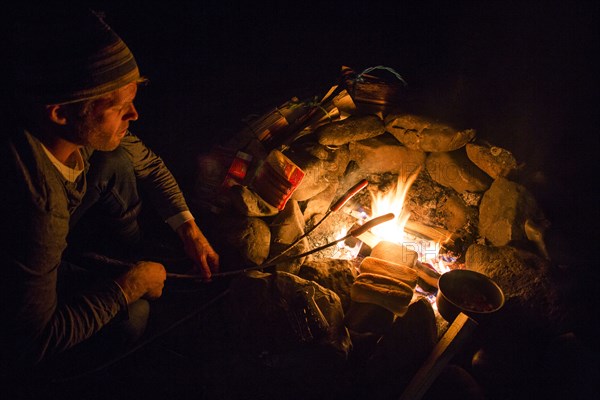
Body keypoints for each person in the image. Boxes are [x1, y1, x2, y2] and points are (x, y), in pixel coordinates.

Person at [0, 7, 219, 384]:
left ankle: (108, 262)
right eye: (118, 107)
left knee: (116, 158)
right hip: (19, 340)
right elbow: (31, 342)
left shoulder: (69, 131)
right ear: (60, 113)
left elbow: (146, 162)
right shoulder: (37, 205)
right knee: (134, 318)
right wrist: (130, 286)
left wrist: (190, 229)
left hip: (46, 244)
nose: (134, 114)